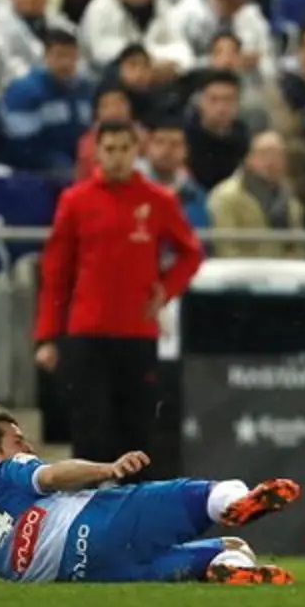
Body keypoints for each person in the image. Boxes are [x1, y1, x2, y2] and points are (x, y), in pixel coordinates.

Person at [0, 409, 299, 584]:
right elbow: (52, 475)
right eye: (18, 440)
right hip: (100, 524)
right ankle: (234, 506)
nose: (26, 447)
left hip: (93, 573)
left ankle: (224, 566)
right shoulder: (6, 471)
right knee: (205, 494)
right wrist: (106, 469)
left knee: (225, 551)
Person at [33, 120, 203, 477]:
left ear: (136, 152)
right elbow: (56, 273)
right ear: (97, 152)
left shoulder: (158, 200)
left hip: (137, 332)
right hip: (87, 333)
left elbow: (191, 253)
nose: (117, 157)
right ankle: (86, 514)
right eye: (110, 149)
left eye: (125, 149)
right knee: (89, 431)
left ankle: (133, 519)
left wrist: (166, 289)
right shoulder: (76, 200)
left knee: (137, 433)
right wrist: (48, 336)